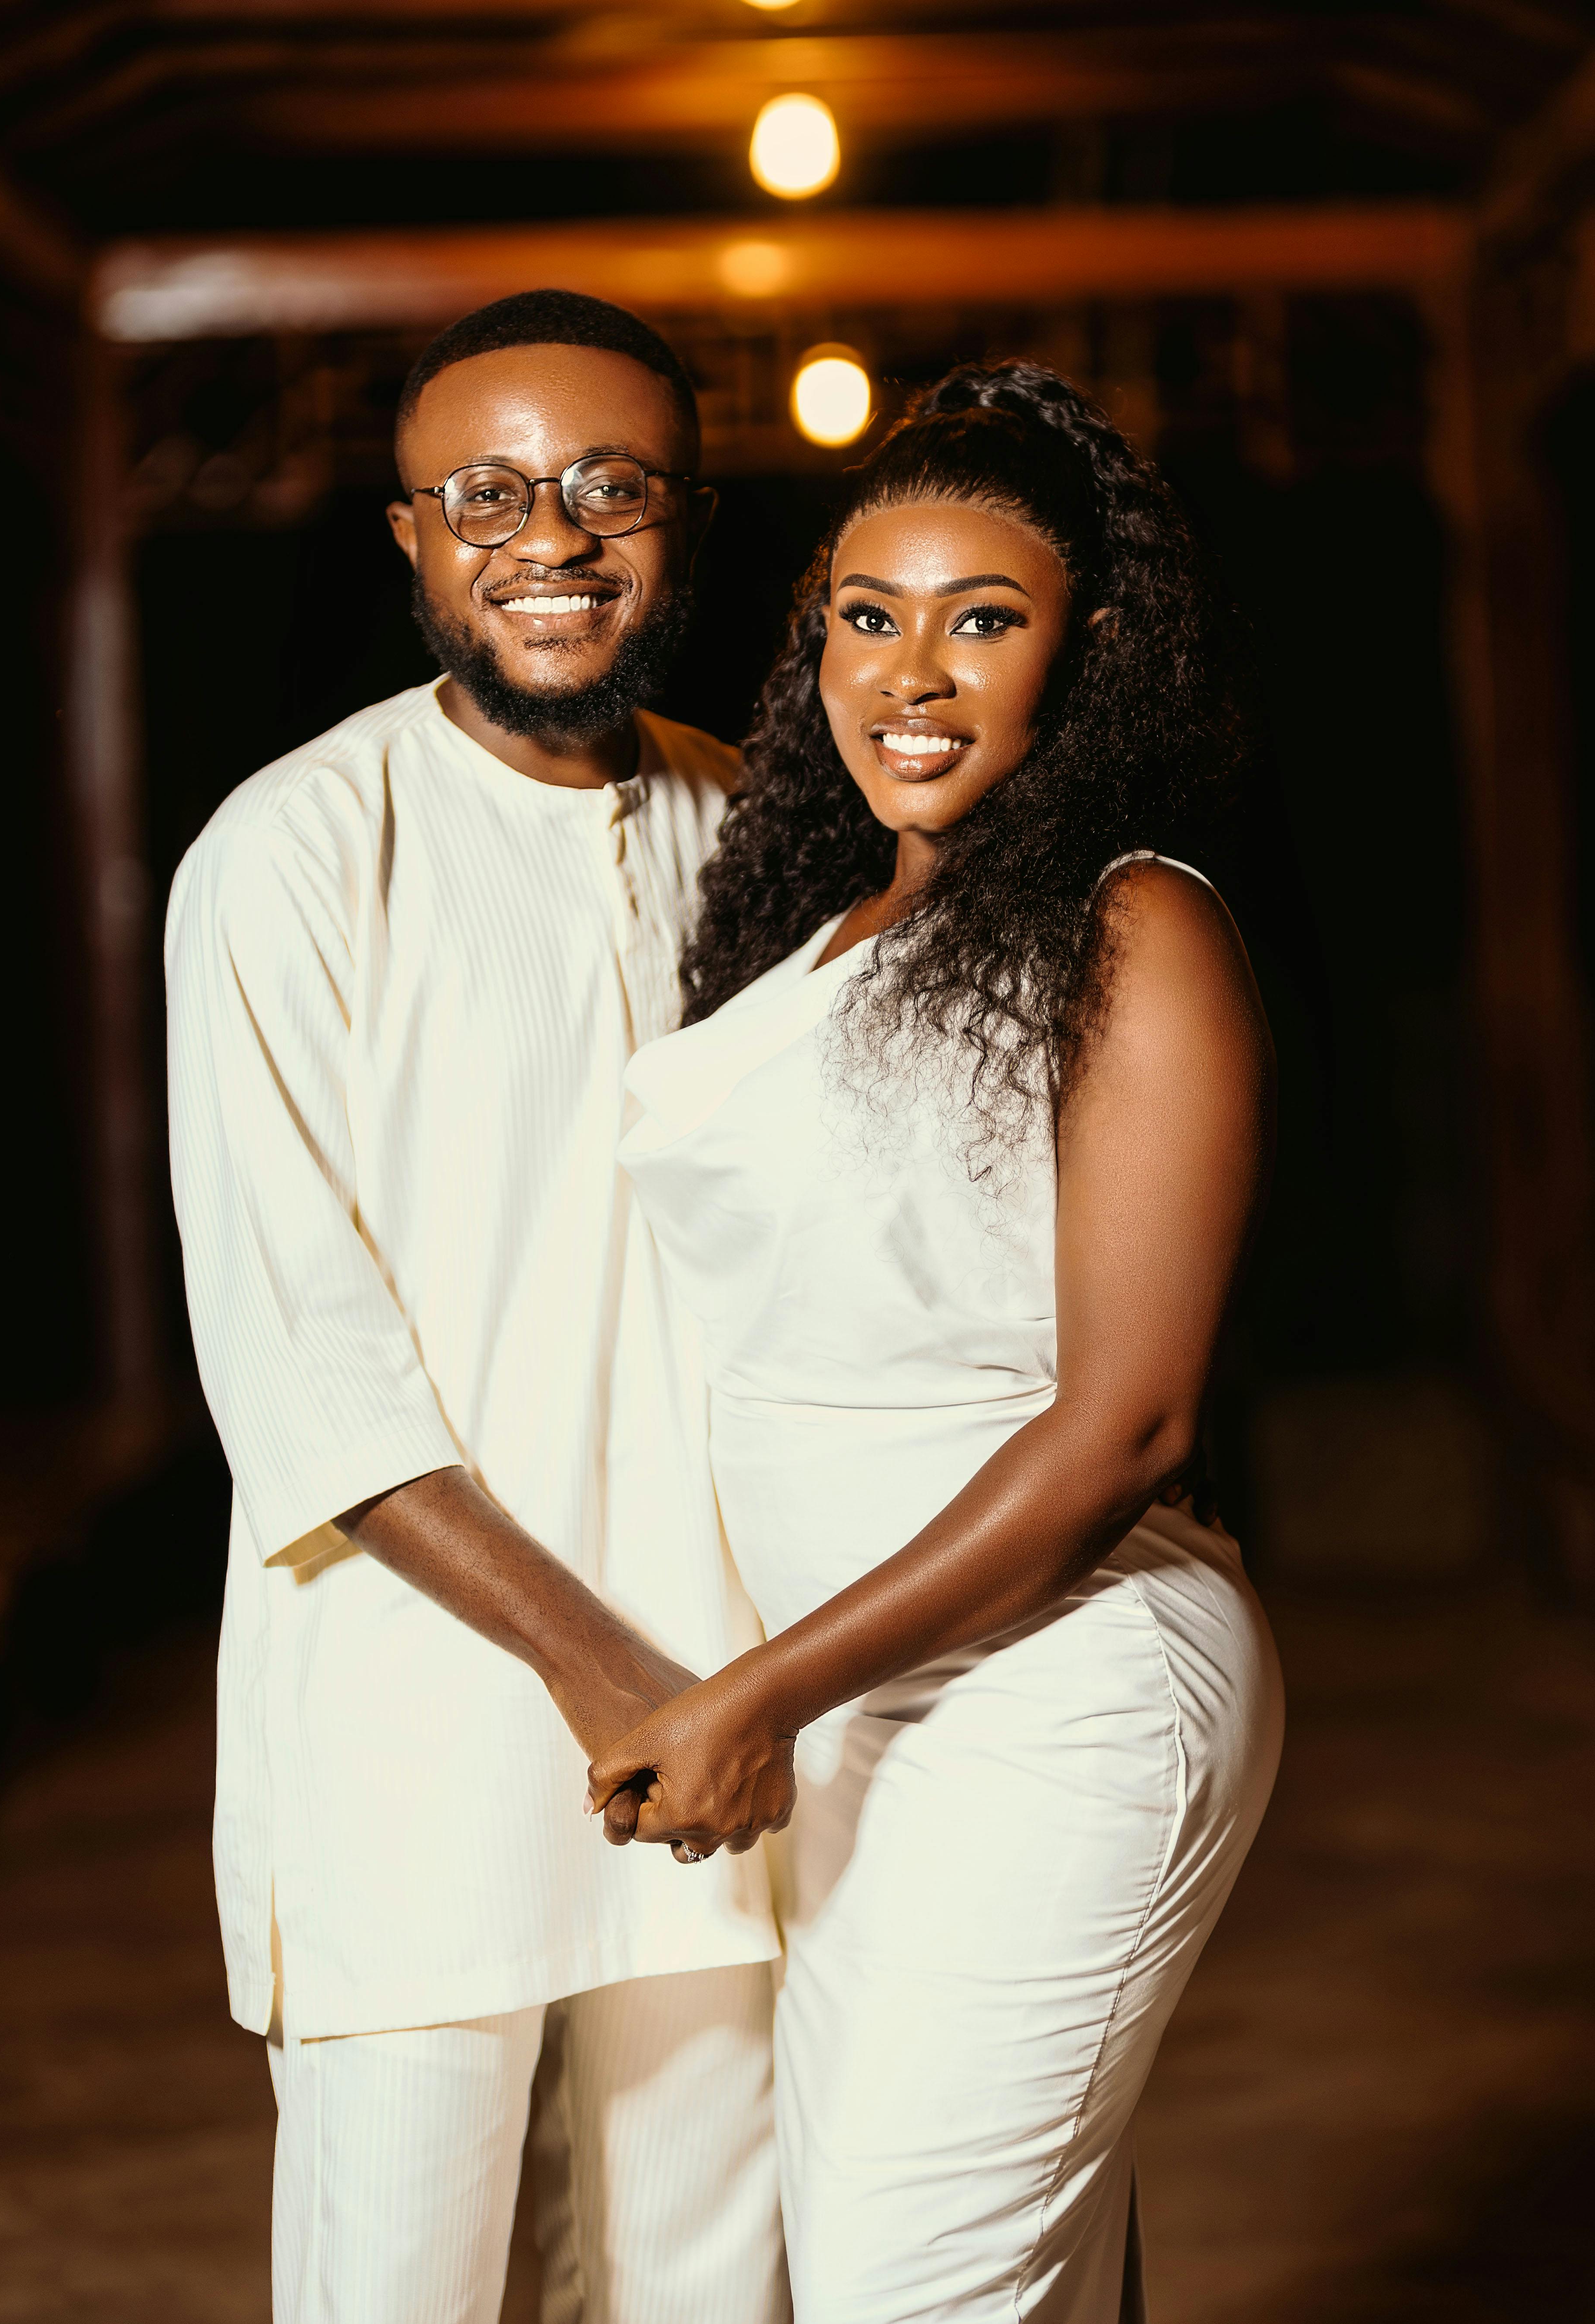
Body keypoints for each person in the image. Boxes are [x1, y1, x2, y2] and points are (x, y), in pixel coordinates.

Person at [589, 362, 1286, 2321]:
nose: (910, 670)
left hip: (1057, 1683)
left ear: (1086, 657)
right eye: (865, 618)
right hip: (868, 1709)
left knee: (922, 2283)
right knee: (970, 2277)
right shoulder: (811, 943)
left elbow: (1126, 1424)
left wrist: (751, 1695)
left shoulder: (1133, 926)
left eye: (983, 619)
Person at [165, 290, 788, 2324]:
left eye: (612, 486)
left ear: (684, 526)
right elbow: (303, 1361)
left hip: (725, 1710)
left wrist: (732, 1686)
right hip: (420, 1724)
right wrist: (611, 1671)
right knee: (397, 2285)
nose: (553, 535)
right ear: (414, 539)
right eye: (489, 491)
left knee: (709, 2278)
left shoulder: (765, 831)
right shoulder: (288, 853)